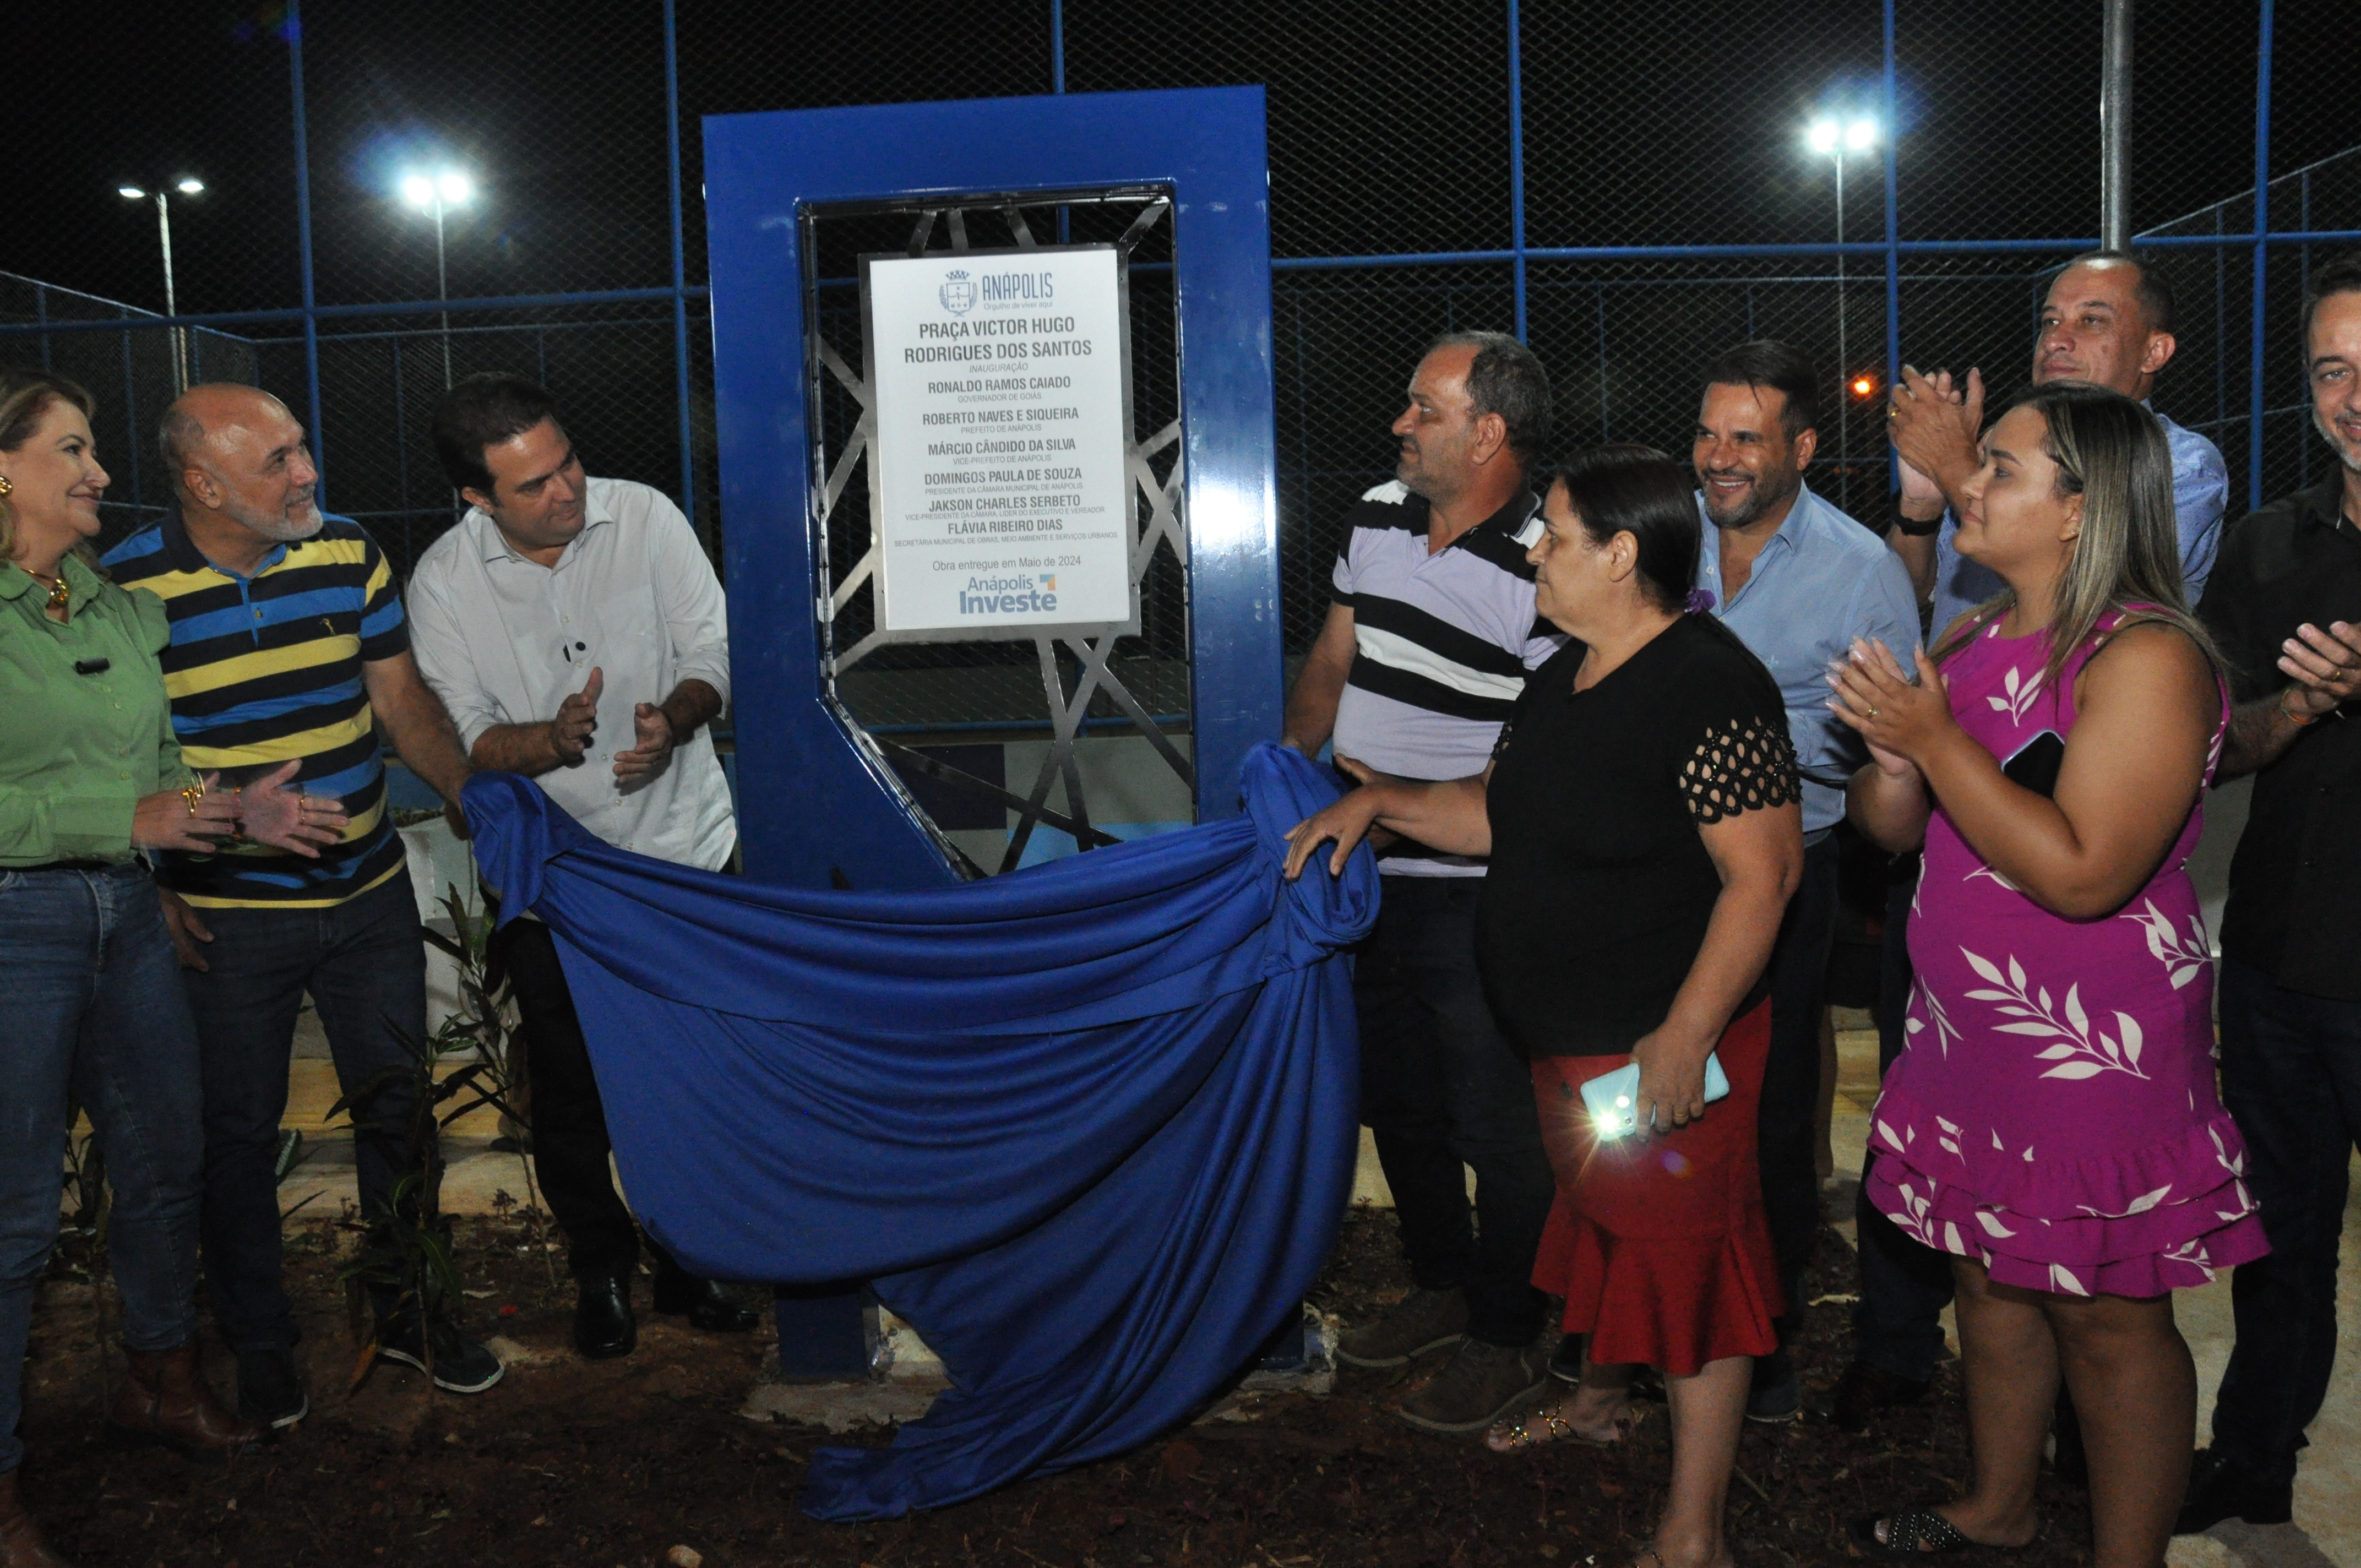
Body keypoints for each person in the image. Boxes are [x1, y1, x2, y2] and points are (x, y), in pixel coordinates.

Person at [1286, 445, 1802, 1568]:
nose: (1532, 549)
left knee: (1689, 1270)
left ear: (1620, 556)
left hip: (1656, 1046)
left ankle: (1690, 1534)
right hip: (1571, 1042)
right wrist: (1378, 801)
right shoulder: (1563, 669)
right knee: (1613, 1229)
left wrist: (1682, 1033)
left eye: (1555, 534)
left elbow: (1762, 879)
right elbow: (1497, 816)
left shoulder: (1709, 684)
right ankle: (1594, 1404)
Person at [1832, 383, 2267, 1564]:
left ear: (2081, 511)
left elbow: (2084, 874)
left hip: (2093, 1050)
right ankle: (1999, 1503)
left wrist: (1930, 743)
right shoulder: (1973, 636)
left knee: (2107, 1316)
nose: (1967, 484)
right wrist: (1890, 757)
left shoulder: (2147, 657)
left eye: (2001, 468)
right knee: (1989, 1284)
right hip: (1967, 1039)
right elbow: (1895, 830)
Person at [102, 384, 501, 1427]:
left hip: (369, 895)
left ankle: (411, 1306)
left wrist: (462, 789)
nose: (308, 473)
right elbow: (120, 765)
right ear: (203, 484)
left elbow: (400, 698)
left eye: (302, 449)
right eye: (277, 460)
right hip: (225, 923)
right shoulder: (127, 589)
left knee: (400, 1113)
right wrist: (214, 827)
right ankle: (261, 1341)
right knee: (233, 1139)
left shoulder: (348, 553)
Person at [0, 369, 343, 1561]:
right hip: (18, 920)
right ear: (2, 471)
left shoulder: (105, 605)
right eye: (70, 451)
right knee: (14, 1215)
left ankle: (158, 1376)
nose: (99, 472)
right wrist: (130, 819)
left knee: (164, 1164)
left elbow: (157, 772)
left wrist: (225, 809)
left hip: (130, 918)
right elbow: (111, 799)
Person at [406, 373, 756, 1358]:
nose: (569, 491)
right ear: (478, 499)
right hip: (550, 880)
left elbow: (713, 653)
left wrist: (672, 719)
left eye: (569, 464)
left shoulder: (645, 517)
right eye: (535, 485)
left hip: (684, 854)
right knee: (571, 1090)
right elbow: (470, 739)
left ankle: (694, 1261)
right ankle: (600, 1270)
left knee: (696, 1073)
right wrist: (550, 743)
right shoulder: (442, 581)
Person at [1279, 330, 1564, 1432]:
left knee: (1494, 1116)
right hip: (1362, 870)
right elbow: (1330, 658)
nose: (1398, 423)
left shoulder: (1551, 559)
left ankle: (1506, 1327)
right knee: (1394, 1095)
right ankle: (1440, 1281)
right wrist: (1291, 768)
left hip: (1471, 880)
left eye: (1421, 407)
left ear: (1487, 431)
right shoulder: (1376, 510)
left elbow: (1527, 766)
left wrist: (1392, 795)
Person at [1688, 340, 1919, 1422]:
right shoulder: (1655, 532)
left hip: (1789, 871)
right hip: (1653, 870)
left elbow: (1895, 747)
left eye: (1745, 437)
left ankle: (1765, 1340)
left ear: (1801, 447)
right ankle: (1656, 1312)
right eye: (1706, 433)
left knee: (1770, 1114)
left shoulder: (1858, 567)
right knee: (1647, 1095)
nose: (1718, 458)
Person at [2175, 254, 2361, 1534]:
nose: (2354, 394)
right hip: (2284, 964)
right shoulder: (2264, 544)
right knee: (2276, 1242)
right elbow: (2213, 739)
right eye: (2332, 368)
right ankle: (2250, 1467)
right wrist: (2296, 702)